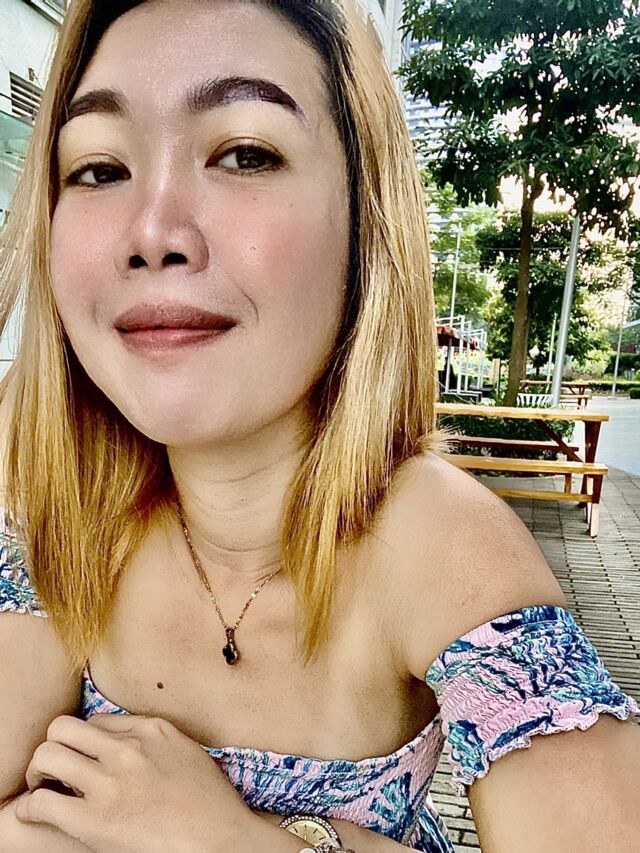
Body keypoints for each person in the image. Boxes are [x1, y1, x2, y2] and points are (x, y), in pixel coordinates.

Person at [0, 1, 639, 851]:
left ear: (365, 222)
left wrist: (231, 839)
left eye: (245, 153)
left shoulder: (441, 544)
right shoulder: (67, 505)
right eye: (99, 167)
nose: (151, 233)